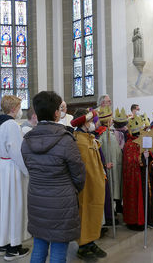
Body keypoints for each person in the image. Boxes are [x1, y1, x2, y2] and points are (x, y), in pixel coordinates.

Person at [21, 91, 86, 263]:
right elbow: (79, 173)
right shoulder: (66, 140)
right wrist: (72, 190)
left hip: (36, 198)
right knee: (58, 249)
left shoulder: (26, 139)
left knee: (39, 246)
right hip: (61, 201)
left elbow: (29, 166)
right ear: (57, 113)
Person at [0, 95, 30, 260]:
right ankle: (14, 247)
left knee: (3, 206)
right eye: (19, 107)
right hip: (12, 168)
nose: (20, 111)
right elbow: (17, 152)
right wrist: (27, 171)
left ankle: (3, 243)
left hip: (1, 167)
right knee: (15, 205)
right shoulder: (12, 124)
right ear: (14, 109)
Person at [70, 109, 107, 261]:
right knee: (84, 213)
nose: (93, 123)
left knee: (94, 213)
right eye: (91, 121)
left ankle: (91, 242)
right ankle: (83, 246)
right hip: (85, 185)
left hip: (95, 183)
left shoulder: (89, 137)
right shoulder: (79, 140)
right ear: (84, 122)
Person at [123, 115, 153, 231]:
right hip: (136, 179)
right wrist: (143, 159)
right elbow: (131, 162)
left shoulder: (143, 141)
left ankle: (148, 219)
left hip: (146, 176)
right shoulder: (129, 145)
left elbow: (150, 155)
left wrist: (152, 163)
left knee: (148, 198)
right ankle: (137, 221)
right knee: (139, 198)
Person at [98, 106, 123, 225]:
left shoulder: (109, 132)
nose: (112, 120)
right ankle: (110, 214)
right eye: (111, 119)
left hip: (115, 165)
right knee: (110, 190)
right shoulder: (102, 134)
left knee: (115, 188)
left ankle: (114, 210)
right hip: (109, 166)